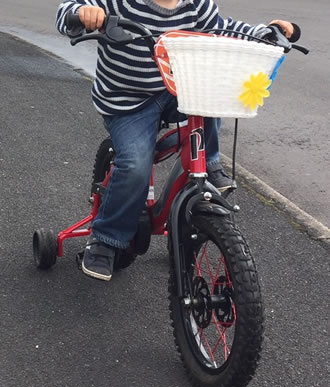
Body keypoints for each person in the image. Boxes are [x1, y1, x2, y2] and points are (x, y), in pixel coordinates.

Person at [56, 0, 294, 281]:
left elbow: (225, 29)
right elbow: (66, 12)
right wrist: (81, 14)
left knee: (210, 96)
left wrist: (265, 32)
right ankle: (107, 239)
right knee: (134, 165)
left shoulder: (195, 5)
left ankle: (211, 163)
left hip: (174, 91)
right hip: (126, 102)